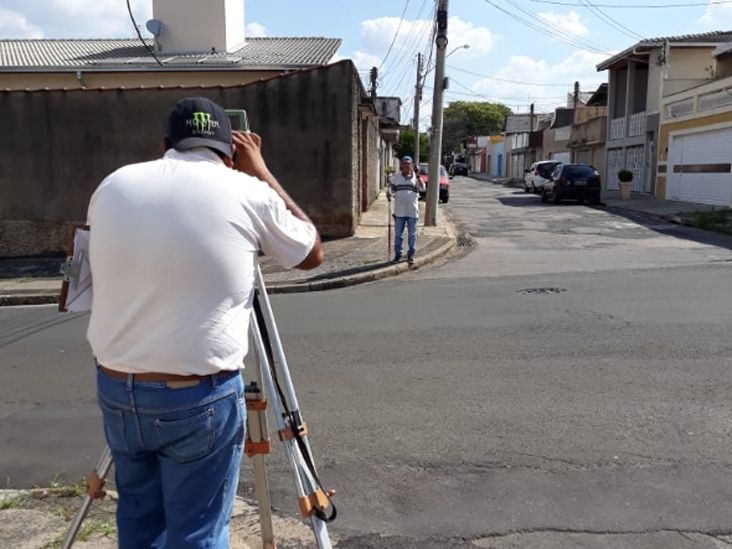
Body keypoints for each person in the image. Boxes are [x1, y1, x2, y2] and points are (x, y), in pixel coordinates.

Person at [86, 96, 323, 549]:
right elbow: (311, 253)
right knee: (197, 533)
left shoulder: (113, 184)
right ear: (232, 152)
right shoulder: (246, 189)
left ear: (164, 144)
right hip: (198, 397)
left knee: (138, 520)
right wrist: (263, 173)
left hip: (117, 389)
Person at [387, 155, 425, 265]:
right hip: (399, 211)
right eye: (404, 164)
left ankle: (411, 254)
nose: (406, 166)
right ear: (401, 165)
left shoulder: (416, 178)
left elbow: (423, 188)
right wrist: (388, 193)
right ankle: (398, 255)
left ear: (412, 165)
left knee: (412, 234)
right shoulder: (396, 177)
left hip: (412, 211)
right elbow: (391, 189)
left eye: (408, 164)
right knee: (398, 234)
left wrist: (418, 176)